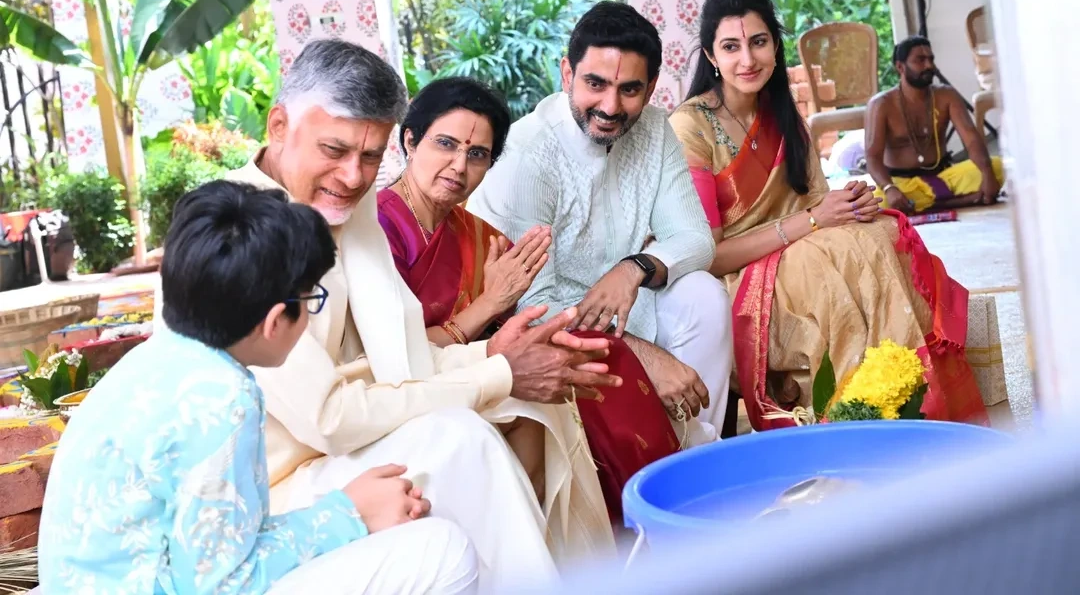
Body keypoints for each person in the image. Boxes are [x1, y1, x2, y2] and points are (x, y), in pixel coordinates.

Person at [150, 39, 623, 592]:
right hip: (274, 489)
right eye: (335, 149)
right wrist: (493, 370)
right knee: (458, 438)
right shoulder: (238, 231)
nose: (353, 176)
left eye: (370, 157)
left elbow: (402, 359)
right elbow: (329, 418)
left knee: (536, 403)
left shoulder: (354, 206)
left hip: (347, 442)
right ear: (279, 125)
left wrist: (497, 357)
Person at [40, 180, 479, 594]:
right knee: (442, 548)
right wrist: (352, 514)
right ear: (274, 322)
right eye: (311, 301)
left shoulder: (155, 363)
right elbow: (224, 583)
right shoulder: (223, 396)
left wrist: (348, 509)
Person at [667, 0, 988, 432]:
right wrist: (815, 219)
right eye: (731, 46)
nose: (747, 59)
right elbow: (708, 254)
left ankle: (903, 401)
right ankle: (850, 417)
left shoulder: (781, 115)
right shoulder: (690, 128)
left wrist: (847, 203)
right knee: (825, 261)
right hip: (736, 275)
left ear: (775, 48)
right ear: (710, 57)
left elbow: (814, 201)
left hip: (797, 250)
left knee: (878, 233)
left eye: (758, 42)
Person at [377, 76, 692, 524]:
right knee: (537, 404)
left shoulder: (478, 237)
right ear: (410, 140)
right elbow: (396, 356)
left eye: (477, 154)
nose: (458, 166)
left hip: (478, 363)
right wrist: (488, 305)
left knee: (596, 355)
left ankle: (651, 512)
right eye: (445, 144)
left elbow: (518, 325)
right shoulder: (377, 231)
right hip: (416, 387)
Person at [467, 2, 733, 436]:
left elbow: (696, 239)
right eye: (595, 84)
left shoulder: (653, 128)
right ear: (566, 74)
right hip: (550, 332)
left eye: (629, 89)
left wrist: (633, 269)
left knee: (701, 295)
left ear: (650, 90)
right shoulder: (528, 156)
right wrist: (644, 357)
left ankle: (699, 453)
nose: (610, 106)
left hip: (630, 308)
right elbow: (532, 307)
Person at [866, 36, 1005, 214]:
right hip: (901, 183)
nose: (929, 66)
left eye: (931, 59)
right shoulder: (881, 104)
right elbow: (872, 158)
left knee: (999, 167)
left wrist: (986, 173)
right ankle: (956, 201)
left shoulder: (946, 96)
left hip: (943, 177)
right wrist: (889, 188)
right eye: (920, 60)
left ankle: (925, 205)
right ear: (900, 67)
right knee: (878, 202)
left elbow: (971, 140)